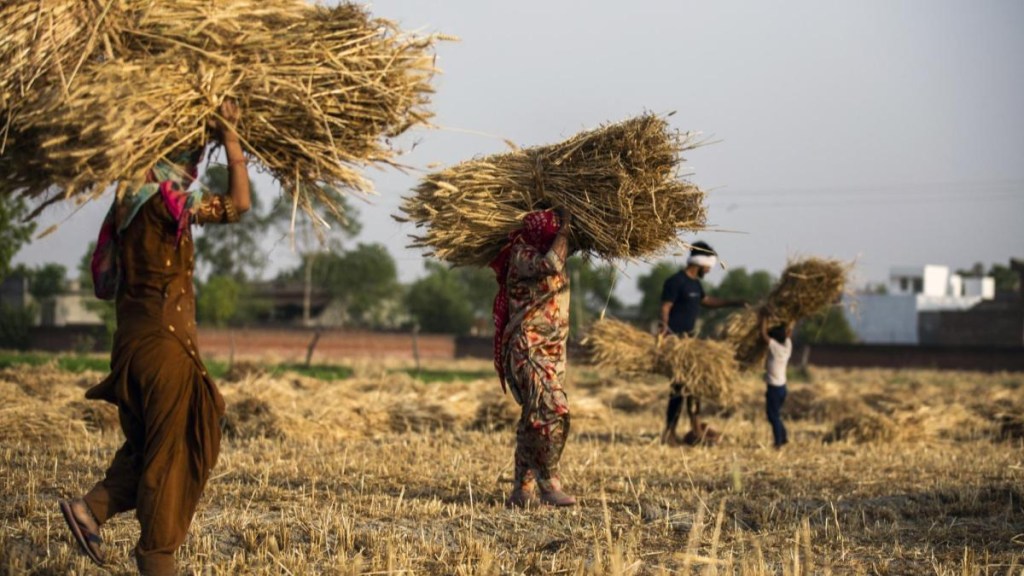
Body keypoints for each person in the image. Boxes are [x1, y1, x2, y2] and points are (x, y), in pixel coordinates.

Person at [58, 100, 250, 575]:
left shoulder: (125, 207)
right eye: (187, 161)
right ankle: (157, 555)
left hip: (130, 348)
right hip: (166, 349)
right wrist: (231, 139)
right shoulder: (166, 202)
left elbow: (107, 286)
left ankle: (92, 508)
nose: (191, 170)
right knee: (182, 445)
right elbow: (238, 205)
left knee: (149, 447)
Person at [491, 208, 576, 507]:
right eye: (553, 233)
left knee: (532, 418)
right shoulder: (522, 254)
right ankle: (549, 483)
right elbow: (551, 263)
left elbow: (560, 256)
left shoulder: (553, 251)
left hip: (552, 352)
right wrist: (566, 230)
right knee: (554, 410)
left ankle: (521, 490)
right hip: (527, 349)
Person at [659, 241, 746, 446]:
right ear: (700, 262)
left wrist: (734, 303)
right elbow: (665, 307)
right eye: (709, 266)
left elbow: (707, 301)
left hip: (691, 342)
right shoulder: (676, 282)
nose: (709, 269)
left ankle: (696, 428)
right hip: (677, 343)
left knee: (694, 387)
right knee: (679, 389)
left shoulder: (695, 284)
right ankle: (669, 433)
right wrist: (664, 330)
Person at [762, 317, 794, 448]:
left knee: (772, 415)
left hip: (774, 389)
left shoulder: (775, 348)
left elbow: (763, 335)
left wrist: (763, 319)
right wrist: (790, 319)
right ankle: (784, 437)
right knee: (775, 414)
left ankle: (778, 442)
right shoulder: (787, 346)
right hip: (782, 388)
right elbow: (789, 333)